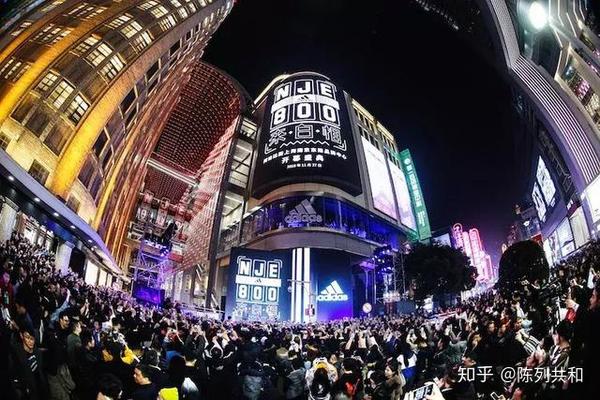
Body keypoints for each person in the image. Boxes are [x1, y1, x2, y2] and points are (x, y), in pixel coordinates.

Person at [9, 325, 48, 400]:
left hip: (40, 390)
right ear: (21, 336)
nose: (31, 341)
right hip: (27, 393)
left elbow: (42, 372)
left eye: (32, 338)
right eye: (27, 337)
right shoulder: (16, 353)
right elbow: (13, 374)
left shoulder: (38, 353)